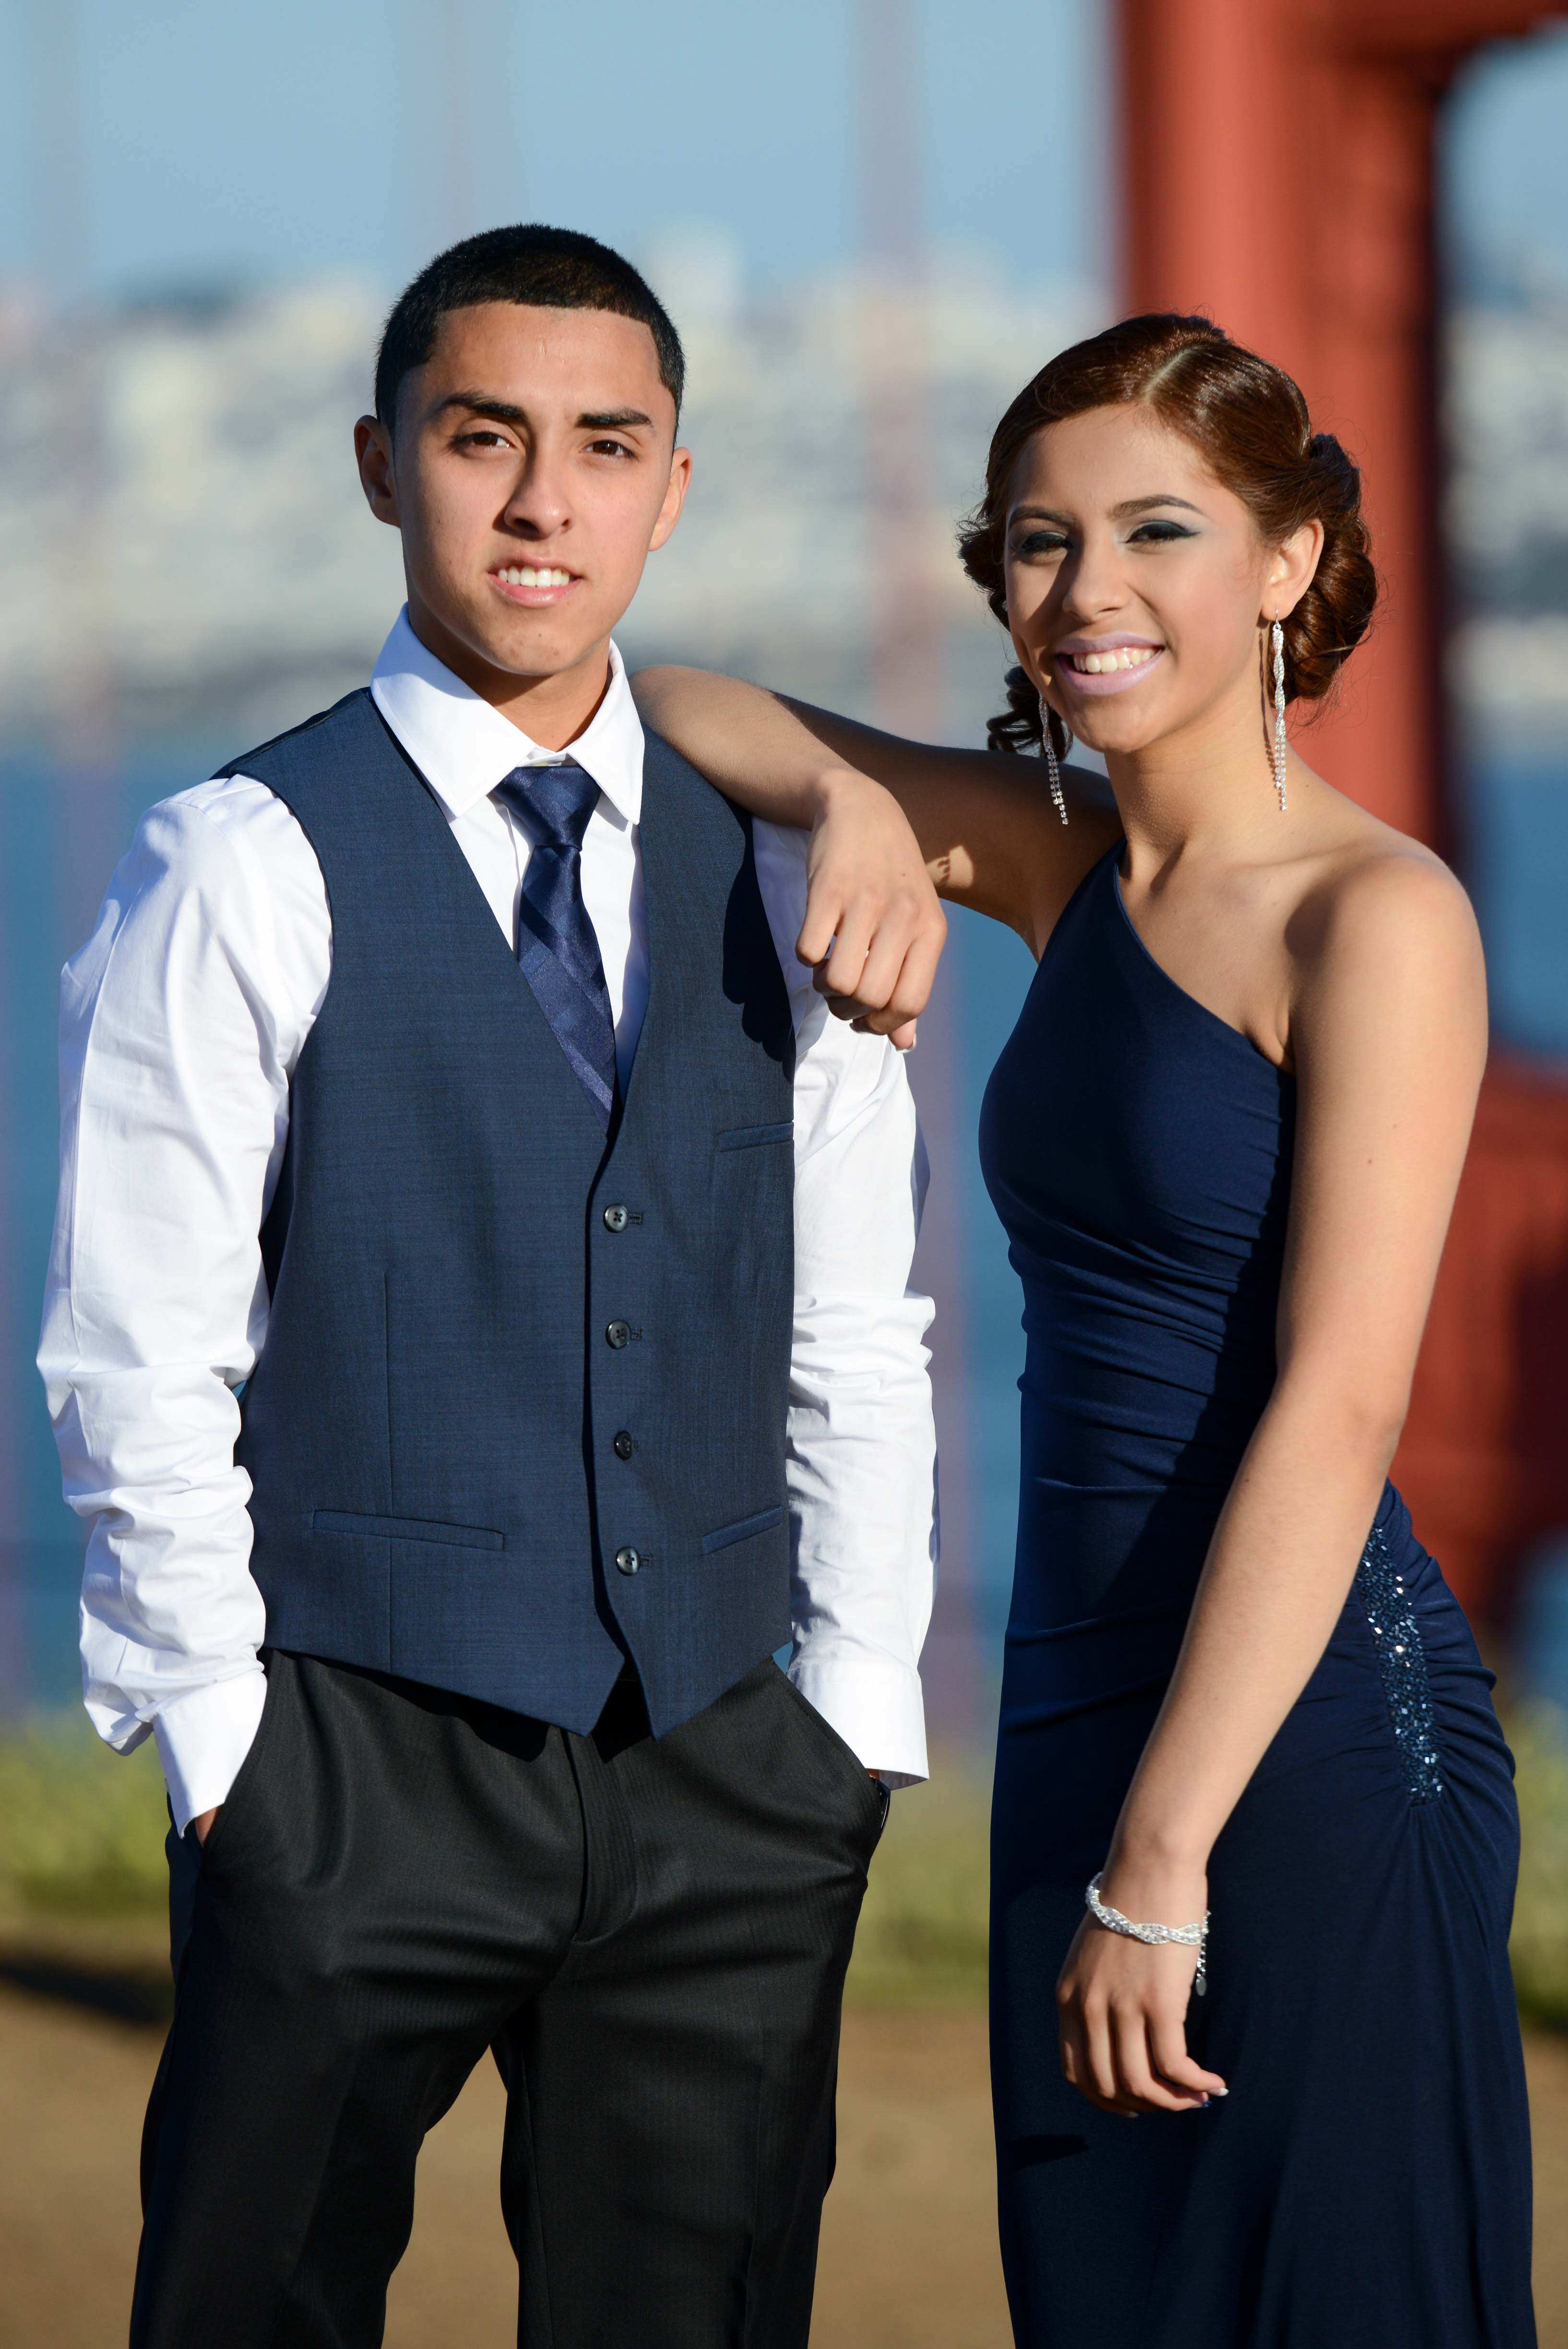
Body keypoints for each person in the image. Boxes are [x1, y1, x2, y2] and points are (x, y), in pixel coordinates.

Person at [38, 224, 938, 2349]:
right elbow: (135, 1340)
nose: (546, 501)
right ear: (382, 466)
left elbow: (854, 1330)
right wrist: (224, 1745)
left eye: (605, 447)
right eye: (483, 439)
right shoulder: (240, 857)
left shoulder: (798, 875)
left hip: (729, 1769)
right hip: (353, 1759)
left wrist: (852, 1720)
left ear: (676, 488)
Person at [633, 312, 1536, 2347]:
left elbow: (1338, 1404)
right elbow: (665, 697)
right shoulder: (1066, 864)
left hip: (1286, 1753)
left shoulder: (1374, 919)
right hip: (1070, 1720)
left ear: (1288, 563)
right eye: (1038, 544)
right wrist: (856, 809)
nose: (1087, 592)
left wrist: (1161, 1853)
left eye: (1157, 532)